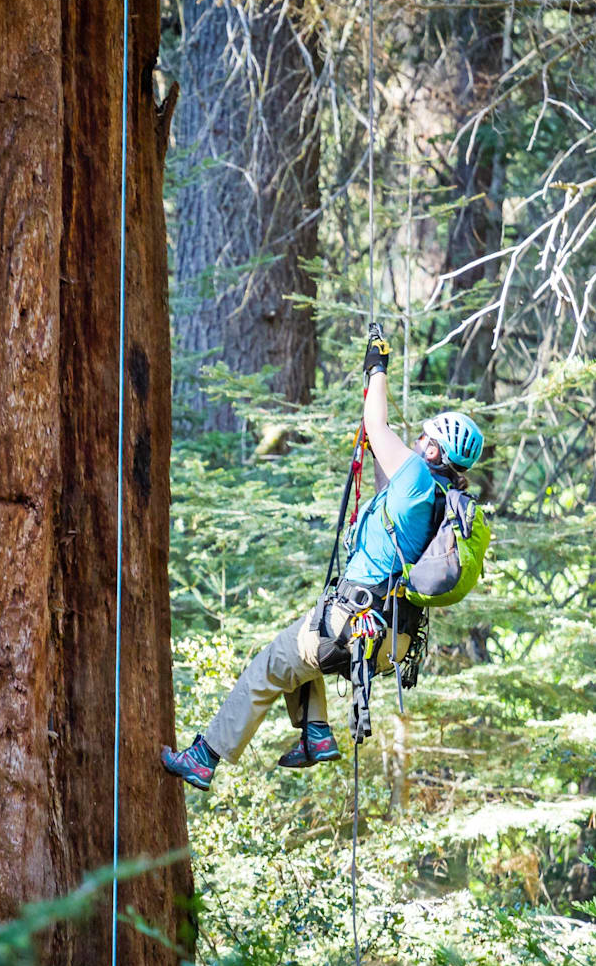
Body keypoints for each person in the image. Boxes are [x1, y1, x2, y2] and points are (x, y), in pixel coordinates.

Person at [161, 327, 484, 790]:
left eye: (424, 438)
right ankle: (315, 733)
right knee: (304, 641)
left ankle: (204, 756)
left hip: (356, 624)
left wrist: (377, 369)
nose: (416, 442)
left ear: (434, 450)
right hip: (390, 640)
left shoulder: (415, 476)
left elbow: (376, 428)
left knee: (270, 665)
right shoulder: (440, 499)